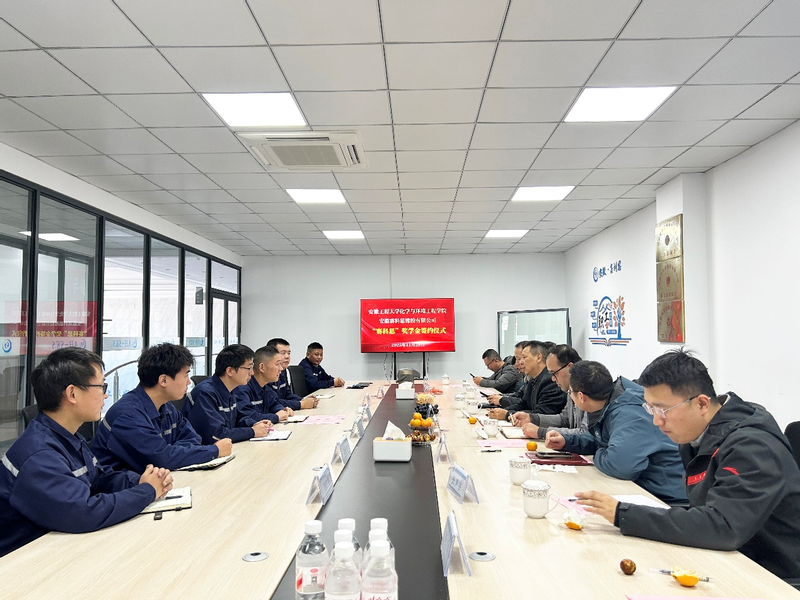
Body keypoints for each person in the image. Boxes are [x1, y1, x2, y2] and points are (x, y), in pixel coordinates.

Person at [575, 349, 800, 581]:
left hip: (773, 576)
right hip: (728, 558)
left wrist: (623, 514)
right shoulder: (696, 435)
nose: (656, 420)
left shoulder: (752, 447)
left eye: (662, 410)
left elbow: (723, 526)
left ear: (702, 404)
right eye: (650, 408)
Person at [0, 348, 172, 557]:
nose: (106, 394)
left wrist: (140, 481)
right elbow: (83, 512)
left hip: (61, 546)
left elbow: (98, 478)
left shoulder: (66, 436)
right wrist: (147, 491)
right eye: (101, 386)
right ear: (72, 393)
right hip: (24, 562)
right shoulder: (39, 454)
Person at [546, 360, 686, 504]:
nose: (570, 396)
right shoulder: (610, 403)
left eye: (570, 392)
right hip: (645, 489)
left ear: (581, 396)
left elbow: (621, 467)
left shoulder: (628, 413)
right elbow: (601, 439)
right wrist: (567, 441)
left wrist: (599, 453)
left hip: (666, 498)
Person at [91, 343, 231, 472]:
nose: (189, 382)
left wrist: (172, 453)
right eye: (186, 375)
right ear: (163, 380)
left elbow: (193, 438)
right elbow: (161, 459)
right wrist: (214, 451)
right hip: (125, 487)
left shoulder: (166, 406)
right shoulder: (127, 414)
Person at [182, 344, 271, 444]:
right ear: (230, 371)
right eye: (248, 368)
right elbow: (216, 435)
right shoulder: (205, 393)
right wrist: (252, 431)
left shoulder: (229, 389)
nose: (252, 373)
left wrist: (254, 424)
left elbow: (238, 419)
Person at [521, 344, 587, 440]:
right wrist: (531, 418)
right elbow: (564, 419)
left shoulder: (589, 389)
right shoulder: (571, 388)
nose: (553, 379)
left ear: (570, 368)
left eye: (554, 373)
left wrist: (542, 432)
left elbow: (585, 433)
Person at [487, 340, 564, 422]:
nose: (520, 362)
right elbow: (523, 404)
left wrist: (507, 414)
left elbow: (541, 415)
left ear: (538, 358)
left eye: (524, 357)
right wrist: (501, 411)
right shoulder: (533, 379)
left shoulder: (550, 380)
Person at [235, 345, 292, 424]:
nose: (281, 369)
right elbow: (248, 416)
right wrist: (276, 417)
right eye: (277, 364)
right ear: (262, 367)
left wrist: (282, 409)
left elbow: (273, 404)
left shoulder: (265, 387)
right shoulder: (243, 388)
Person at [267, 337, 318, 410]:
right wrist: (301, 404)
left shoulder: (283, 371)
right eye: (283, 353)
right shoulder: (267, 374)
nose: (287, 356)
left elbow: (287, 394)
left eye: (289, 353)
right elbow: (274, 402)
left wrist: (303, 400)